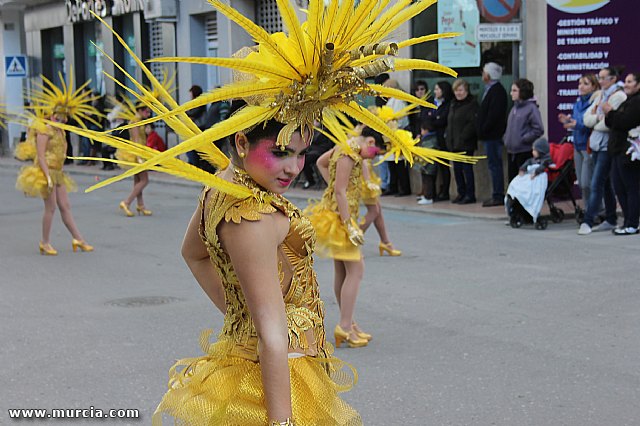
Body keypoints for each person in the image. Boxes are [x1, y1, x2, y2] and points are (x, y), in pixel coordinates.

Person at [60, 2, 474, 424]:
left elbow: (193, 254)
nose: (293, 167)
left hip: (268, 364)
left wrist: (242, 316)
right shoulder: (250, 216)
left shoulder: (225, 185)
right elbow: (273, 336)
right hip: (277, 383)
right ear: (241, 142)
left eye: (299, 153)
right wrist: (281, 415)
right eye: (279, 153)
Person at [307, 126, 386, 349]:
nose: (374, 156)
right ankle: (344, 325)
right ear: (370, 141)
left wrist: (331, 184)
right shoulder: (349, 152)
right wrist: (349, 225)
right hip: (341, 220)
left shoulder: (344, 148)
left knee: (343, 271)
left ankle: (349, 323)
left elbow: (321, 162)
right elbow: (340, 190)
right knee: (356, 270)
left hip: (339, 217)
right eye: (376, 151)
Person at [15, 74, 96, 255]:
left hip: (58, 172)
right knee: (50, 208)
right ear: (53, 114)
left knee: (65, 206)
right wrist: (47, 177)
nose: (63, 119)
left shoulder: (61, 131)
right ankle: (45, 242)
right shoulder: (44, 130)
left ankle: (78, 239)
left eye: (65, 117)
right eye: (60, 116)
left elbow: (61, 154)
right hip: (45, 173)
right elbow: (41, 156)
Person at [578, 67, 626, 235]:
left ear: (613, 79)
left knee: (596, 182)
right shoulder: (600, 96)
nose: (601, 81)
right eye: (600, 77)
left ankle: (588, 220)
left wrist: (596, 120)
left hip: (607, 145)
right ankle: (611, 218)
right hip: (596, 144)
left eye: (604, 78)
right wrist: (597, 118)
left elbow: (607, 124)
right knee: (605, 184)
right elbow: (586, 119)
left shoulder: (618, 96)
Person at [603, 72, 640, 235]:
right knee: (619, 187)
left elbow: (624, 122)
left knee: (631, 187)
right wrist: (610, 115)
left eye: (630, 81)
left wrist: (610, 112)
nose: (626, 84)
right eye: (625, 81)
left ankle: (633, 222)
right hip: (617, 150)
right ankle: (627, 221)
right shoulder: (628, 101)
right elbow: (611, 123)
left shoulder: (637, 102)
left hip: (629, 150)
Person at [558, 73, 599, 205]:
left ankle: (597, 209)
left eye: (585, 84)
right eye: (580, 83)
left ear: (593, 87)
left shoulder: (594, 103)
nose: (581, 86)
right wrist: (569, 121)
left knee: (588, 182)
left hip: (588, 145)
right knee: (581, 183)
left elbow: (590, 123)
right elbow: (577, 121)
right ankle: (589, 210)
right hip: (578, 145)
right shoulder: (577, 103)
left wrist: (577, 124)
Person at [477, 62, 508, 207]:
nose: (482, 75)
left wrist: (483, 129)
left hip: (493, 136)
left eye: (484, 72)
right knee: (493, 165)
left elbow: (493, 116)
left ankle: (498, 194)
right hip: (489, 135)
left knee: (495, 165)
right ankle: (496, 193)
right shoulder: (490, 90)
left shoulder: (497, 91)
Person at [504, 78, 545, 181]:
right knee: (513, 182)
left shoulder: (531, 108)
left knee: (523, 181)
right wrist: (506, 138)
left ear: (522, 92)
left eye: (514, 90)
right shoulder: (514, 108)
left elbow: (538, 129)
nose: (511, 93)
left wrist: (523, 138)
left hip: (524, 152)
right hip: (512, 151)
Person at [446, 78, 479, 204]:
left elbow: (472, 124)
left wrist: (463, 137)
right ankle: (461, 193)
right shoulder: (453, 104)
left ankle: (470, 195)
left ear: (466, 91)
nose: (458, 93)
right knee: (457, 170)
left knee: (467, 170)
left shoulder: (472, 104)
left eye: (460, 90)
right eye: (456, 91)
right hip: (454, 143)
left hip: (466, 143)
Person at [117, 104, 153, 217]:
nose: (148, 114)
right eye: (146, 112)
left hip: (139, 152)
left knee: (138, 181)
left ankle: (140, 205)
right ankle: (126, 202)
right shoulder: (135, 121)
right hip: (137, 154)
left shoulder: (140, 121)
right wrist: (140, 158)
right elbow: (136, 140)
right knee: (144, 180)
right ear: (140, 110)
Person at [424, 80, 453, 202]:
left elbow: (442, 121)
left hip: (443, 139)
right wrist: (433, 119)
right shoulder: (432, 102)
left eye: (438, 89)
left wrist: (434, 120)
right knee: (432, 168)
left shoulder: (448, 104)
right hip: (431, 139)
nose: (435, 91)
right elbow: (427, 117)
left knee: (444, 167)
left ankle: (445, 191)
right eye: (435, 89)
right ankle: (433, 192)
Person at [381, 79, 411, 196]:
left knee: (399, 165)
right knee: (392, 164)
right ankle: (393, 186)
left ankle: (404, 188)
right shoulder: (391, 101)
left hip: (398, 134)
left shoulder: (398, 101)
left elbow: (399, 119)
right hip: (390, 136)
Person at [185, 85, 207, 166]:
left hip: (199, 128)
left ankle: (195, 164)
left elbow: (193, 113)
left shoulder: (200, 102)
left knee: (193, 148)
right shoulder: (195, 102)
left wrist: (187, 113)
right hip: (195, 128)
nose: (190, 95)